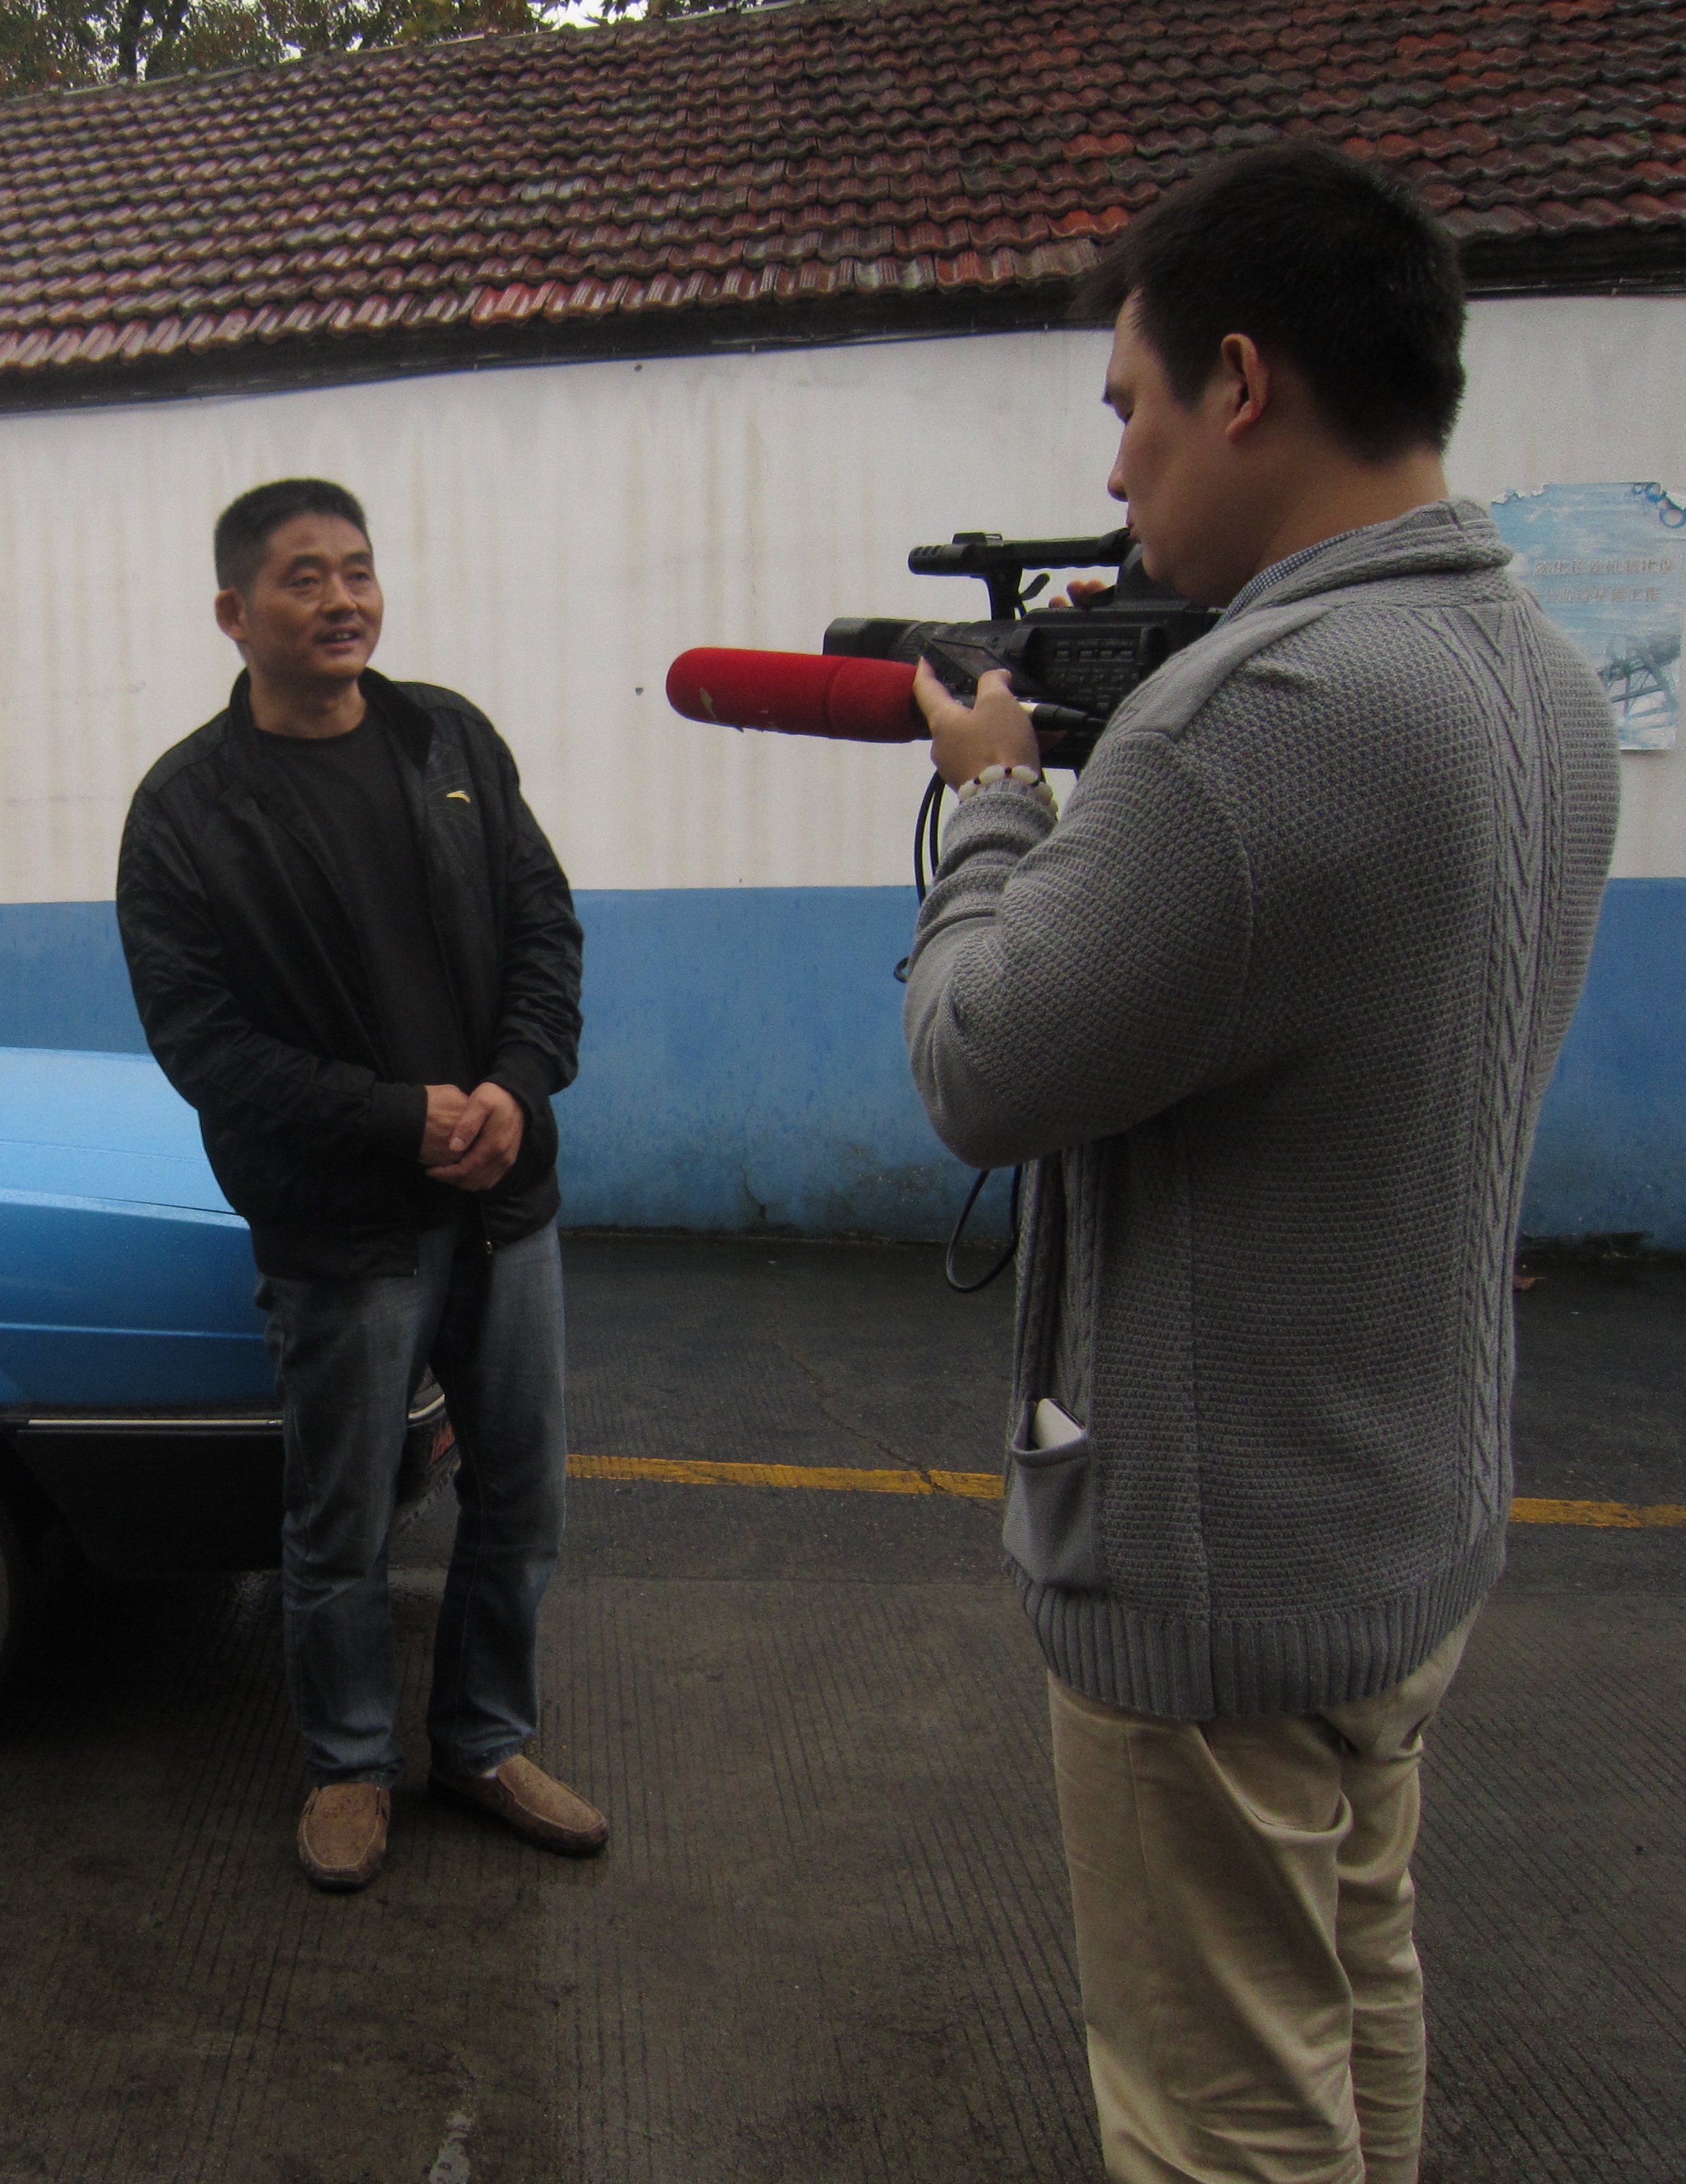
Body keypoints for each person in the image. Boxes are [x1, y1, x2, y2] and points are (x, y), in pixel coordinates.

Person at [902, 142, 1620, 2181]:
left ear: (1241, 382)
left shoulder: (1254, 722)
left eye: (1130, 404)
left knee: (1222, 2120)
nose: (1117, 469)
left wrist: (998, 811)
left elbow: (981, 1066)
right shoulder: (1541, 678)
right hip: (1397, 1532)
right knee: (1354, 2002)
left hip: (1222, 1581)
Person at [116, 477, 603, 1893]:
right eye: (305, 577)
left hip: (502, 1203)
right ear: (234, 611)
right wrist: (400, 1120)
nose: (343, 601)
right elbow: (204, 1044)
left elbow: (545, 928)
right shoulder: (188, 811)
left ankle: (485, 1743)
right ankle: (348, 1766)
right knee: (338, 1520)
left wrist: (516, 1085)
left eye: (359, 570)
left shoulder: (451, 739)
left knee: (521, 1499)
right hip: (342, 1227)